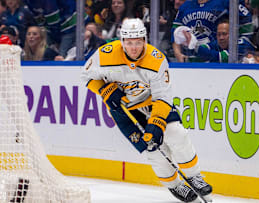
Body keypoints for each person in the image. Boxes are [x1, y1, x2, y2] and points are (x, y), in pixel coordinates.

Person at [81, 18, 213, 202]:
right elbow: (86, 75)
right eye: (129, 43)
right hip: (124, 110)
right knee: (152, 151)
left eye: (137, 42)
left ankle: (194, 175)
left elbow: (163, 96)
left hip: (152, 104)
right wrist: (104, 89)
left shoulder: (156, 60)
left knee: (176, 133)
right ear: (122, 42)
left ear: (144, 39)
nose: (133, 48)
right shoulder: (105, 54)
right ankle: (175, 185)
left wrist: (157, 123)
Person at [171, 0, 253, 62]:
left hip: (215, 59)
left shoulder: (225, 2)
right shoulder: (185, 6)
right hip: (191, 60)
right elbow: (176, 32)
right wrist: (178, 53)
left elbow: (247, 22)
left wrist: (243, 42)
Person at [24, 0, 89, 57]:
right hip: (58, 25)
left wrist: (55, 39)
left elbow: (53, 18)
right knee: (46, 51)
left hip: (71, 24)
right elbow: (38, 17)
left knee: (62, 55)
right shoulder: (28, 1)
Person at [181, 18, 255, 62]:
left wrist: (195, 46)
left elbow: (220, 57)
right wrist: (188, 43)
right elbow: (204, 49)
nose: (221, 38)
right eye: (219, 34)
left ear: (233, 34)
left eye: (224, 34)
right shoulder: (218, 43)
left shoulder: (242, 44)